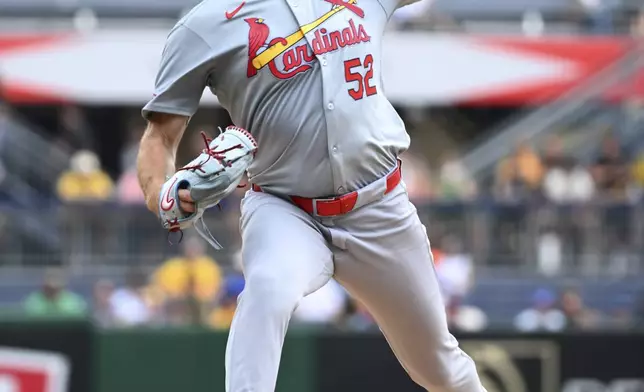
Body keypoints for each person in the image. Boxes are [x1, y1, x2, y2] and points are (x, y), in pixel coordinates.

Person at [136, 0, 488, 391]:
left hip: (378, 208)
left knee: (440, 368)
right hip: (285, 209)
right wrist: (166, 193)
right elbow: (160, 137)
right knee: (269, 289)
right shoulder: (205, 23)